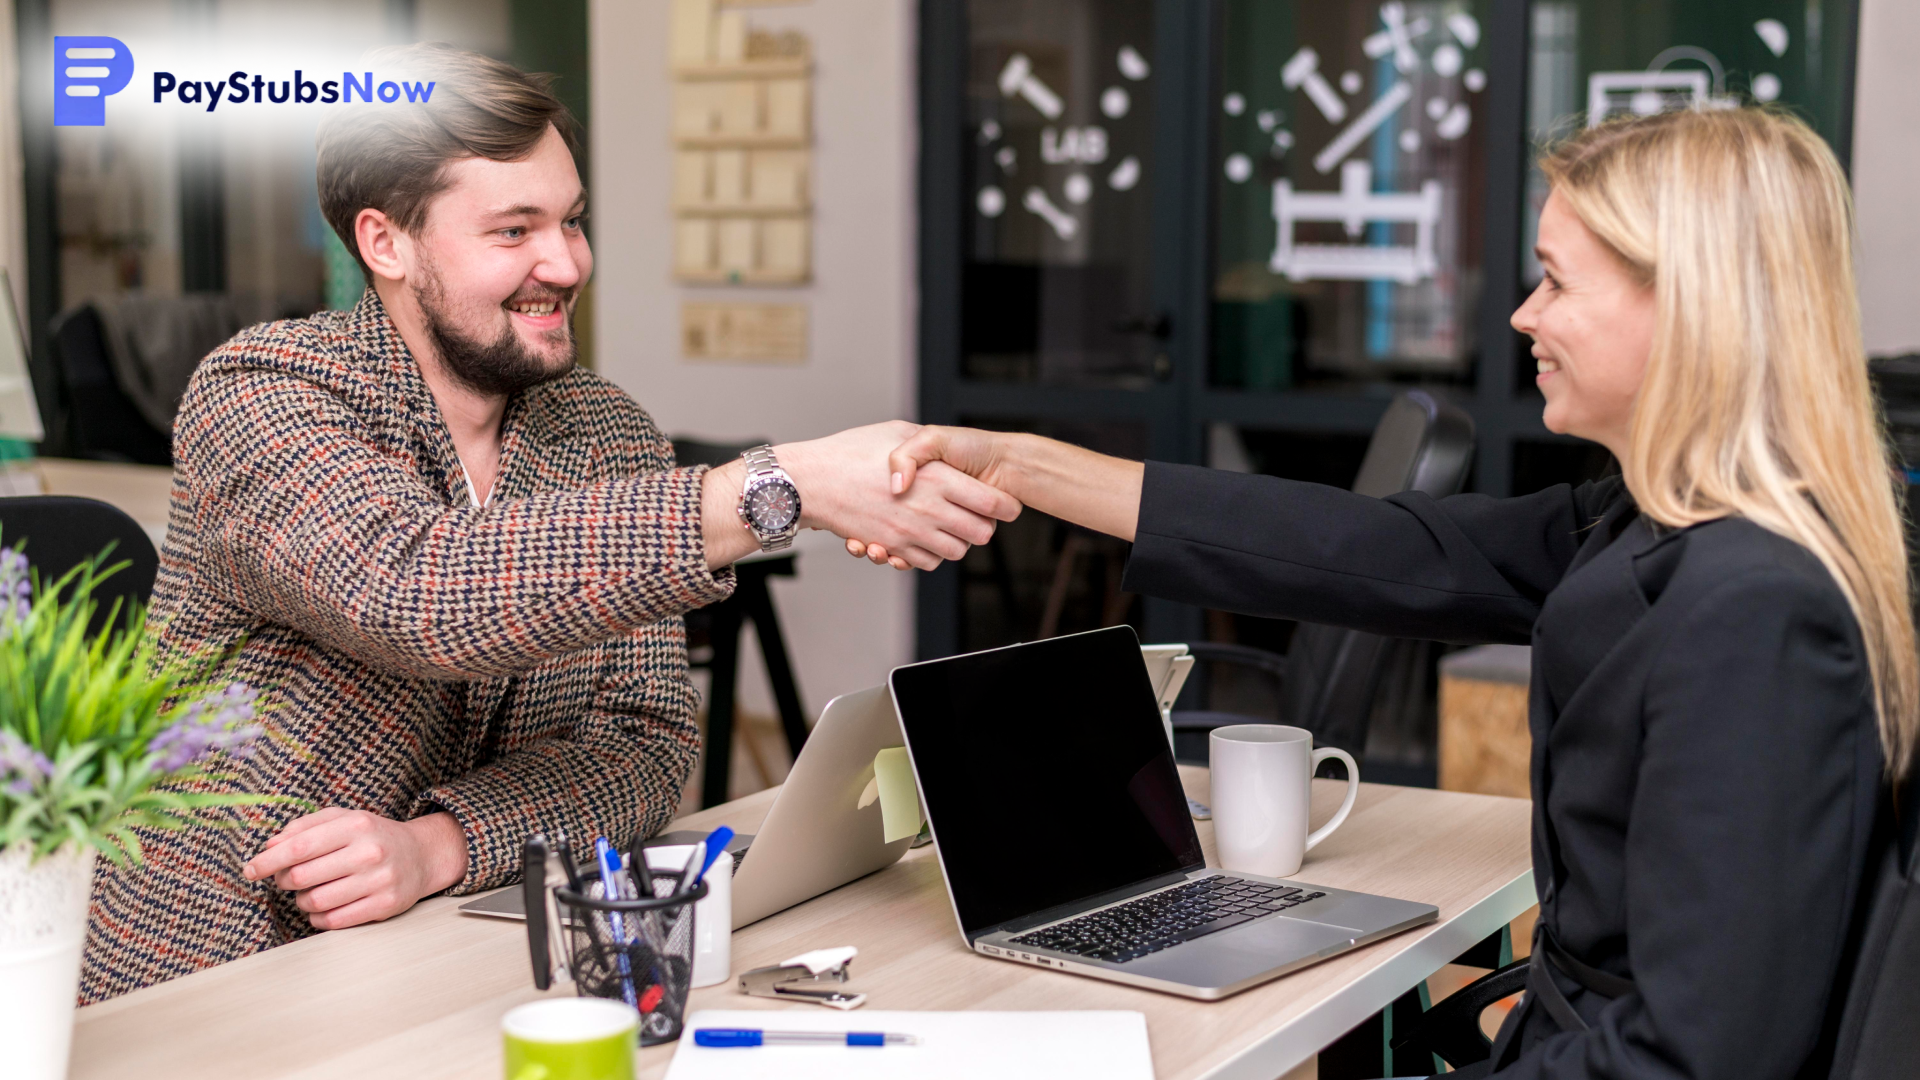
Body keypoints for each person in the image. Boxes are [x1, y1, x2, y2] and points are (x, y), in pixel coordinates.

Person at [856, 107, 1911, 1079]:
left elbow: (1698, 1056)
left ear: (1689, 305)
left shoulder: (1756, 605)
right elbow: (1380, 546)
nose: (1521, 314)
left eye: (1556, 280)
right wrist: (1026, 466)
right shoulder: (1654, 520)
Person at [80, 44, 1016, 1003]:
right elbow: (417, 593)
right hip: (203, 966)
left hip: (446, 951)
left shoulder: (603, 429)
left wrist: (437, 845)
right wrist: (780, 488)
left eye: (570, 220)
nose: (566, 263)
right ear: (386, 242)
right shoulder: (261, 392)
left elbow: (643, 747)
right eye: (513, 229)